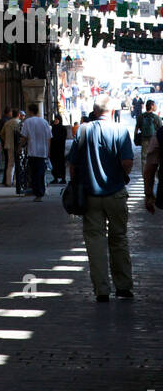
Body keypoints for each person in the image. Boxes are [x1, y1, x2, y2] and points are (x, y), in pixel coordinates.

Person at [68, 94, 134, 302]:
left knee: (94, 241)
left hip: (90, 196)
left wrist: (78, 183)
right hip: (115, 193)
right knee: (119, 239)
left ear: (95, 112)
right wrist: (122, 175)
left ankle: (102, 290)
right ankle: (123, 286)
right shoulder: (120, 130)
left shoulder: (83, 131)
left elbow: (72, 164)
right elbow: (127, 162)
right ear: (112, 112)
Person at [21, 103, 53, 200]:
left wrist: (20, 147)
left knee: (34, 173)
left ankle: (38, 192)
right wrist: (48, 150)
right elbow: (49, 138)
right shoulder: (44, 122)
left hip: (32, 151)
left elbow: (24, 137)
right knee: (41, 172)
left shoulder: (27, 122)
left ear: (30, 111)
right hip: (42, 151)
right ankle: (40, 192)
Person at [135, 100, 160, 167]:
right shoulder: (156, 117)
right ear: (152, 106)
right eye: (155, 105)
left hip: (144, 140)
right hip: (154, 141)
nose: (156, 107)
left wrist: (135, 138)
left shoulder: (141, 116)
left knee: (144, 158)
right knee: (155, 157)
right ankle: (154, 175)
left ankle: (145, 175)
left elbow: (136, 128)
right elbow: (160, 130)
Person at [0, 107, 20, 186]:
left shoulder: (7, 123)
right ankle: (16, 181)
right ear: (18, 115)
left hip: (9, 145)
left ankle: (8, 182)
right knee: (18, 164)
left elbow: (1, 134)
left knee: (10, 164)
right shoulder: (19, 122)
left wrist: (6, 140)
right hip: (17, 146)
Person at [50, 112, 68, 184]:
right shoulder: (53, 127)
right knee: (54, 164)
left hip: (60, 149)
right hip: (53, 149)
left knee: (61, 164)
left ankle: (63, 178)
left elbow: (63, 138)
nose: (56, 121)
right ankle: (55, 178)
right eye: (55, 119)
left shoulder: (62, 128)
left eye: (57, 119)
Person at [14, 112, 29, 194]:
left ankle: (20, 185)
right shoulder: (20, 124)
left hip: (17, 148)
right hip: (22, 149)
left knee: (17, 167)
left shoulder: (19, 124)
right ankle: (21, 186)